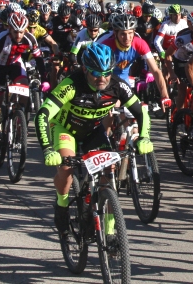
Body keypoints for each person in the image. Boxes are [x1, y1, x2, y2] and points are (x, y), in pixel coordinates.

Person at [35, 43, 151, 243]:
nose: (102, 78)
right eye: (96, 73)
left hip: (93, 131)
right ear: (85, 69)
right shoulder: (71, 85)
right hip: (65, 129)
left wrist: (144, 137)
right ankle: (62, 205)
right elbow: (43, 114)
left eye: (107, 73)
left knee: (109, 173)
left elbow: (141, 112)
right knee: (66, 168)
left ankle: (110, 231)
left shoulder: (117, 86)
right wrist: (47, 149)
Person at [0, 11, 44, 155]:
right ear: (9, 28)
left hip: (15, 64)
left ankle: (19, 117)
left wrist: (45, 80)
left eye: (21, 32)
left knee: (25, 88)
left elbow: (39, 59)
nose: (18, 35)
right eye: (15, 32)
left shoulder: (30, 39)